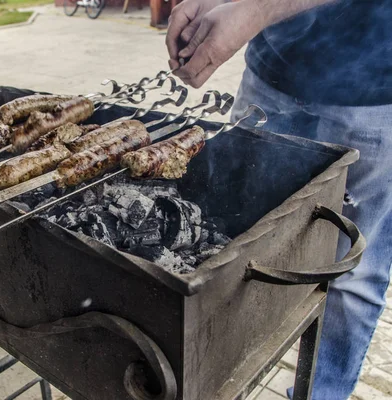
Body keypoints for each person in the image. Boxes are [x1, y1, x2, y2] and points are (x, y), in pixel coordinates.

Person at [166, 0, 392, 399]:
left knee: (351, 274)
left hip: (373, 99)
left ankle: (320, 393)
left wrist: (256, 10)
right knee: (223, 240)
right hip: (270, 80)